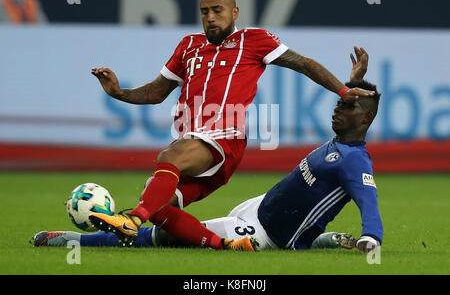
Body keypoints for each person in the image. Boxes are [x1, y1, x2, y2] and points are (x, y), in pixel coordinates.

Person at [89, 0, 375, 251]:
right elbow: (155, 92)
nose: (210, 17)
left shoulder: (254, 40)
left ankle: (132, 221)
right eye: (205, 12)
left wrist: (340, 88)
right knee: (160, 207)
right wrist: (118, 93)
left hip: (224, 139)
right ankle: (223, 246)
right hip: (194, 143)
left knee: (169, 157)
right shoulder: (188, 45)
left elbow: (304, 64)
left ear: (234, 12)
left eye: (217, 10)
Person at [32, 76, 382, 254]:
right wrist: (352, 81)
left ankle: (76, 240)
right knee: (163, 207)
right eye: (340, 101)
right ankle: (317, 241)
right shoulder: (339, 144)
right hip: (258, 208)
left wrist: (372, 237)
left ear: (365, 117)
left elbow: (368, 201)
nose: (338, 108)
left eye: (348, 106)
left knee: (167, 234)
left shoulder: (355, 160)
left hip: (265, 235)